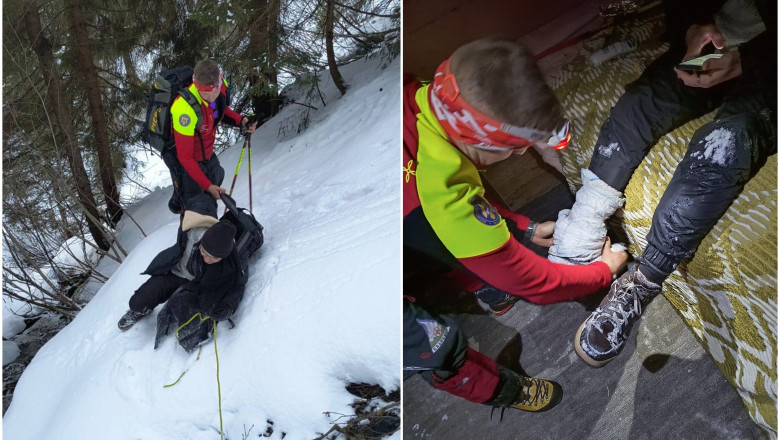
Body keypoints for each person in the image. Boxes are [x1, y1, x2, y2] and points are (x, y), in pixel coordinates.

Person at [402, 38, 629, 411]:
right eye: (514, 147)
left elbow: (467, 197)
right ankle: (503, 391)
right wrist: (603, 272)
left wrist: (521, 227)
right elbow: (540, 285)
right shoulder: (442, 203)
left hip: (414, 225)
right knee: (438, 348)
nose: (521, 154)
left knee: (449, 248)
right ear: (471, 137)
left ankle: (488, 284)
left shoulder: (423, 94)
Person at [547, 0, 776, 367]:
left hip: (772, 66)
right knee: (639, 105)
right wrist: (690, 30)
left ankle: (644, 281)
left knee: (728, 142)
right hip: (711, 54)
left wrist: (749, 61)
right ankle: (584, 221)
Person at [118, 194, 249, 351]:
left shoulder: (233, 260)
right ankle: (140, 310)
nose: (207, 259)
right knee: (137, 302)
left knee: (189, 311)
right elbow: (199, 203)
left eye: (213, 258)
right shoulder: (195, 231)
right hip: (175, 273)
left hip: (195, 284)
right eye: (204, 252)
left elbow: (238, 286)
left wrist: (228, 305)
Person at [169, 59, 258, 213]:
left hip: (208, 156)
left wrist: (241, 120)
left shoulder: (220, 86)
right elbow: (185, 157)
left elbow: (219, 111)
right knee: (195, 215)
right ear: (196, 86)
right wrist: (207, 186)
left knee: (215, 186)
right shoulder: (184, 109)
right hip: (189, 167)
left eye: (214, 92)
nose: (210, 98)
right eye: (205, 94)